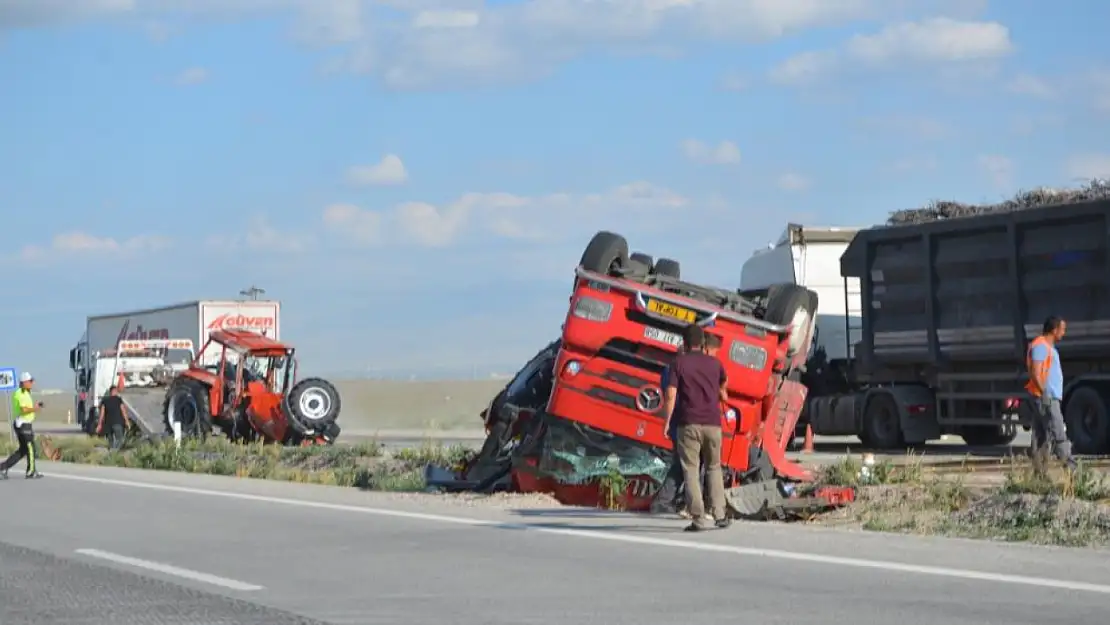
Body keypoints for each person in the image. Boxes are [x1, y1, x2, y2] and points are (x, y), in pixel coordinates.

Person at [662, 324, 730, 531]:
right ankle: (720, 514)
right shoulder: (716, 364)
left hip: (689, 423)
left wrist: (666, 421)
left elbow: (671, 394)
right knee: (714, 467)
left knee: (690, 469)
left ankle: (698, 518)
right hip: (713, 424)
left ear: (684, 342)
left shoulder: (678, 363)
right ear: (702, 343)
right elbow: (723, 392)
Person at [1026, 316, 1077, 472]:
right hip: (1046, 398)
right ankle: (1071, 470)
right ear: (1054, 330)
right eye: (1062, 329)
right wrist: (1044, 393)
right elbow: (1035, 371)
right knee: (1058, 432)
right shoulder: (1041, 346)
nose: (1064, 333)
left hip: (1045, 397)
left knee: (1041, 437)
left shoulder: (1048, 347)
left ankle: (1039, 474)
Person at [1, 372, 44, 479]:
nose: (32, 383)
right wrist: (35, 409)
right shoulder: (19, 393)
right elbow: (23, 409)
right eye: (30, 381)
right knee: (30, 448)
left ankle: (3, 468)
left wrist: (35, 406)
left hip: (25, 424)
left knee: (23, 450)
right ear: (24, 382)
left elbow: (27, 408)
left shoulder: (26, 393)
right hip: (23, 424)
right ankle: (31, 471)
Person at [96, 386, 131, 451]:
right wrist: (127, 421)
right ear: (115, 391)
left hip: (108, 425)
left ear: (110, 392)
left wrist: (99, 424)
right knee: (120, 439)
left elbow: (102, 414)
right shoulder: (118, 400)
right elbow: (123, 411)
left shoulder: (105, 401)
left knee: (110, 442)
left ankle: (111, 453)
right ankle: (114, 452)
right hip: (117, 423)